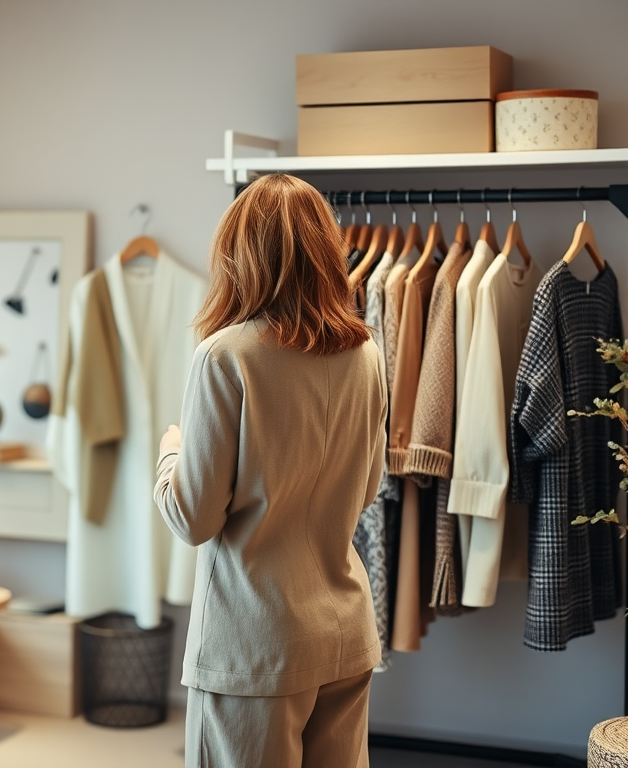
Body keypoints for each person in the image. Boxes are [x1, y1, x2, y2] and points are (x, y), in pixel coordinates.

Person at [153, 174, 388, 768]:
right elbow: (365, 490)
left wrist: (169, 453)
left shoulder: (224, 355)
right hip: (343, 632)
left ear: (238, 254)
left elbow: (193, 517)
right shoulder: (366, 356)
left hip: (251, 647)